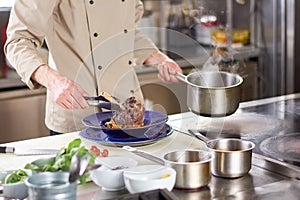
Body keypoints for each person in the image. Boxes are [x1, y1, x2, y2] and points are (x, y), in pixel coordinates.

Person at [4, 0, 183, 135]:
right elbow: (17, 41)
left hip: (130, 113)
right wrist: (53, 81)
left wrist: (157, 58)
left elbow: (125, 31)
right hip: (80, 113)